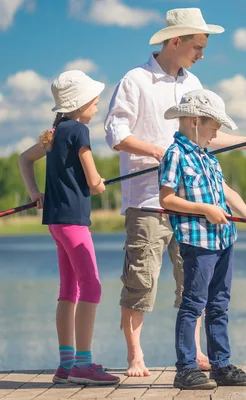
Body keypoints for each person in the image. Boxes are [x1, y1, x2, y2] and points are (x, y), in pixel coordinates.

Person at [104, 7, 246, 377]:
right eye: (197, 46)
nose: (201, 54)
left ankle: (197, 354)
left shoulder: (193, 86)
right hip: (148, 200)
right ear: (175, 41)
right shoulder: (136, 80)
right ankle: (135, 355)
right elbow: (115, 135)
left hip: (195, 210)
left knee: (192, 283)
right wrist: (158, 150)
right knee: (141, 280)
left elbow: (207, 136)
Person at [158, 88, 246, 390]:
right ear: (195, 121)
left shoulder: (207, 158)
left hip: (224, 239)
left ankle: (221, 365)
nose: (217, 132)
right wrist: (204, 210)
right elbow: (167, 199)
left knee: (219, 304)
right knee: (193, 303)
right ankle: (186, 369)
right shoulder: (175, 154)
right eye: (215, 126)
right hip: (198, 243)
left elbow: (227, 193)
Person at [18, 70, 120, 386]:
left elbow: (24, 158)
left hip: (55, 222)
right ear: (81, 104)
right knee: (92, 286)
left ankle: (66, 364)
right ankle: (83, 364)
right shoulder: (78, 130)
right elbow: (93, 181)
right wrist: (100, 185)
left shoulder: (56, 131)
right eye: (95, 102)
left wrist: (36, 194)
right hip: (74, 222)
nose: (96, 107)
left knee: (69, 290)